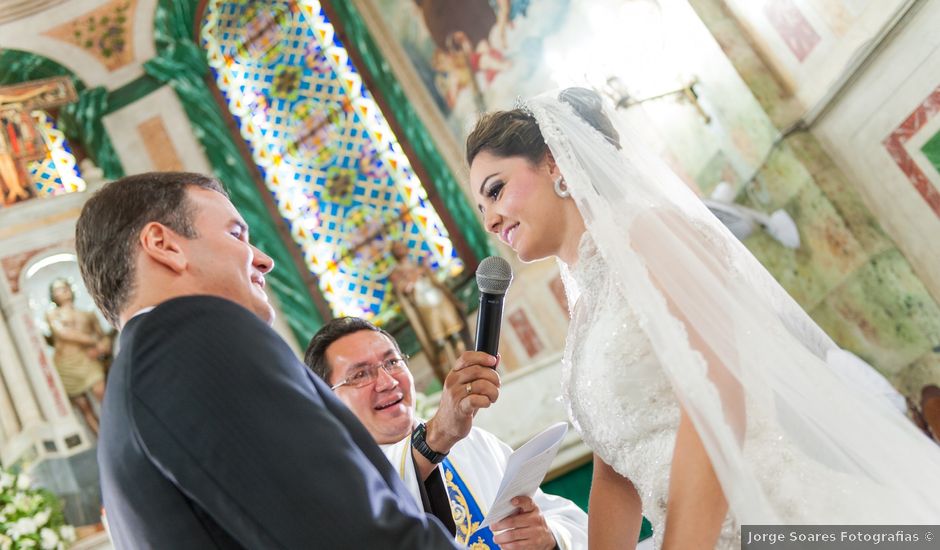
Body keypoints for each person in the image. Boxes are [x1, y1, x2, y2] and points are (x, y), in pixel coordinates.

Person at [465, 88, 940, 549]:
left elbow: (718, 395)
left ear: (553, 162)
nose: (489, 220)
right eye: (481, 207)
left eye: (497, 190)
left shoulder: (655, 233)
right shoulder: (587, 311)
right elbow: (614, 472)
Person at [75, 172, 460, 549]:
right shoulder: (196, 340)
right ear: (164, 244)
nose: (264, 261)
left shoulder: (133, 386)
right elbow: (354, 533)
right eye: (236, 234)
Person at [304, 316, 591, 550]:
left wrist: (549, 538)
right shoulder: (336, 487)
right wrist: (440, 434)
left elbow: (571, 523)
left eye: (392, 362)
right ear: (327, 402)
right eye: (360, 375)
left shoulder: (474, 443)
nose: (387, 381)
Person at [388, 241, 472, 383]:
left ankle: (468, 366)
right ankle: (451, 375)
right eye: (396, 248)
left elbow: (433, 279)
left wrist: (421, 271)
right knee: (440, 343)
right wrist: (414, 276)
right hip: (424, 308)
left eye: (401, 246)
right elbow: (403, 290)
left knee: (455, 335)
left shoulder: (417, 264)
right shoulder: (396, 273)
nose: (400, 249)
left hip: (439, 301)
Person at [46, 278, 110, 435]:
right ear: (53, 296)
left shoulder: (87, 314)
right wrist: (92, 340)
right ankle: (102, 441)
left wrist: (101, 348)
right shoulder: (53, 314)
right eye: (58, 289)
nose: (63, 291)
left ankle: (120, 433)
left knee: (104, 396)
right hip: (66, 364)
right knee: (84, 407)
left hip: (88, 360)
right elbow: (62, 333)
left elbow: (103, 337)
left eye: (65, 287)